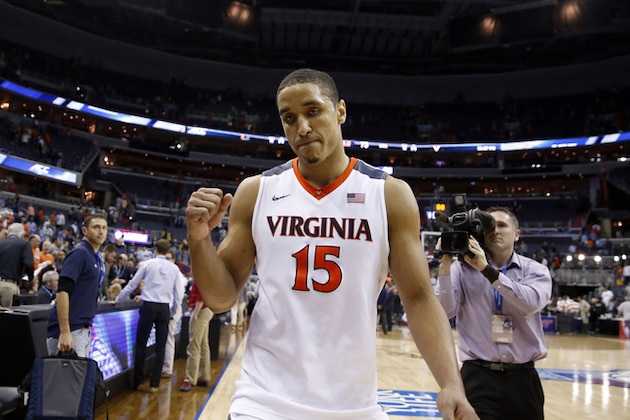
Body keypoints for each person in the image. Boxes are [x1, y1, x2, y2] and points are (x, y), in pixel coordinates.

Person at [185, 68, 477, 419]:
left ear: (340, 111)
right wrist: (199, 239)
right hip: (263, 402)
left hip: (353, 405)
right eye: (289, 118)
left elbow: (418, 297)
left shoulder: (388, 195)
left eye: (313, 111)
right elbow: (220, 298)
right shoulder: (257, 191)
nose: (302, 128)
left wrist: (450, 383)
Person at [434, 206, 552, 420]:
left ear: (516, 234)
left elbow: (530, 303)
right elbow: (444, 311)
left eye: (502, 225)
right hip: (478, 375)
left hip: (523, 378)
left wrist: (486, 270)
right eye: (489, 226)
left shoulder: (536, 270)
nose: (495, 230)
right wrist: (445, 265)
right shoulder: (461, 269)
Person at [115, 239, 183, 393]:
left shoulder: (147, 264)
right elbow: (178, 294)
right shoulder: (174, 269)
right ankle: (155, 384)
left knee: (141, 344)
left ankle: (138, 381)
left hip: (149, 306)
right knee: (161, 346)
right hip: (164, 308)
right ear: (168, 251)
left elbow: (133, 284)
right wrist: (172, 311)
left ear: (155, 249)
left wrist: (119, 298)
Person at [46, 214, 108, 357]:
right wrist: (65, 331)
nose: (101, 231)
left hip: (82, 328)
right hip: (70, 329)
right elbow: (62, 292)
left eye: (104, 228)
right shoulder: (80, 253)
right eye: (96, 227)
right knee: (65, 379)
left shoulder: (95, 257)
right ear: (85, 230)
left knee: (77, 378)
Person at [179, 281, 213, 392]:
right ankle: (203, 376)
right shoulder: (207, 271)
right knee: (203, 344)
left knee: (194, 346)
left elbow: (201, 293)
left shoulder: (201, 272)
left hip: (201, 309)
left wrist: (195, 311)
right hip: (206, 309)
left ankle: (190, 379)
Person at [161, 249, 188, 379]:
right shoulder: (166, 273)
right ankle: (164, 367)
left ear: (173, 260)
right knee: (165, 338)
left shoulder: (177, 275)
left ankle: (167, 368)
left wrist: (173, 311)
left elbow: (178, 297)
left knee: (169, 338)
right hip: (166, 309)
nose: (165, 261)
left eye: (168, 258)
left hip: (173, 309)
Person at [0, 222, 34, 307]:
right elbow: (28, 264)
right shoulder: (24, 243)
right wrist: (30, 279)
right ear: (22, 234)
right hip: (9, 284)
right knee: (6, 318)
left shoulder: (1, 242)